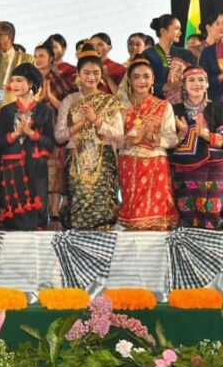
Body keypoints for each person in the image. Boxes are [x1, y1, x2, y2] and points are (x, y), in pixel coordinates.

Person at [54, 47, 124, 231]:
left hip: (103, 160)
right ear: (78, 74)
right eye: (86, 73)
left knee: (103, 208)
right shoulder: (69, 101)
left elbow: (119, 135)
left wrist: (96, 121)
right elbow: (59, 136)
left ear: (101, 75)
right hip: (76, 160)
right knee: (79, 205)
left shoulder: (110, 101)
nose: (91, 77)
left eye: (95, 73)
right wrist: (81, 123)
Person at [0, 63, 56, 230]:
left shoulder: (44, 111)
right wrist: (15, 134)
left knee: (37, 219)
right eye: (12, 81)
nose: (14, 85)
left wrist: (33, 134)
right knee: (13, 221)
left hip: (36, 168)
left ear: (31, 83)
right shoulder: (7, 111)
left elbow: (51, 144)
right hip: (12, 169)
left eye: (19, 80)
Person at [117, 58, 178, 231]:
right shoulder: (120, 106)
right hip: (129, 165)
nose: (141, 81)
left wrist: (153, 139)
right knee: (133, 218)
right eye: (136, 77)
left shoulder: (164, 106)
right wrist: (132, 140)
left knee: (157, 220)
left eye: (146, 76)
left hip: (155, 164)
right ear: (129, 80)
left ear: (153, 80)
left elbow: (172, 139)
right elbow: (114, 138)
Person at [170, 65, 223, 229]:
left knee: (213, 215)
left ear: (207, 84)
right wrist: (182, 133)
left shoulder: (218, 108)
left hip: (214, 169)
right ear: (184, 85)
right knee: (187, 215)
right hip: (184, 170)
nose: (197, 84)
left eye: (201, 80)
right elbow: (166, 143)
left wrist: (206, 135)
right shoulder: (174, 110)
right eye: (191, 80)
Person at [34, 41, 73, 226]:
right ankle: (44, 210)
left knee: (57, 169)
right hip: (37, 129)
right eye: (36, 56)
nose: (38, 59)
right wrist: (40, 100)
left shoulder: (60, 79)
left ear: (51, 58)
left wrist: (50, 98)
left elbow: (70, 109)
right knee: (41, 171)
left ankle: (56, 211)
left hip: (57, 128)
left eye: (42, 56)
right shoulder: (32, 80)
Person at [0, 21, 34, 112]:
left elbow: (35, 89)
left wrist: (24, 109)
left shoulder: (27, 60)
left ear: (9, 37)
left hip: (17, 112)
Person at [140, 14, 184, 99]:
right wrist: (163, 87)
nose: (180, 32)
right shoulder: (148, 54)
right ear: (164, 31)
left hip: (181, 101)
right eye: (176, 29)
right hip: (156, 101)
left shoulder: (184, 53)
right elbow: (141, 82)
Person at [198, 11, 223, 102]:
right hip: (216, 101)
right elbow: (202, 79)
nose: (221, 27)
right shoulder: (208, 51)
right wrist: (219, 77)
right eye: (218, 23)